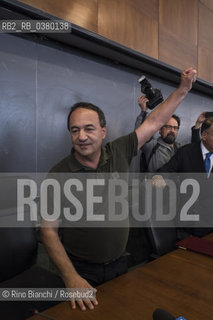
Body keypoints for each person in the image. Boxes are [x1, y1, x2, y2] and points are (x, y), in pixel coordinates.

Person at [41, 67, 196, 311]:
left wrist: (183, 90)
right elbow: (48, 231)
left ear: (103, 131)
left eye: (89, 128)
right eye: (75, 130)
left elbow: (155, 120)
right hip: (80, 271)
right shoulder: (58, 174)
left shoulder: (120, 151)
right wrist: (70, 278)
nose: (82, 136)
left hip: (120, 264)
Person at [135, 98, 202, 172]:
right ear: (160, 130)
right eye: (168, 127)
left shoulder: (180, 149)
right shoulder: (152, 146)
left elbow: (195, 151)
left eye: (175, 128)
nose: (172, 131)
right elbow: (140, 134)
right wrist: (143, 112)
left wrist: (197, 125)